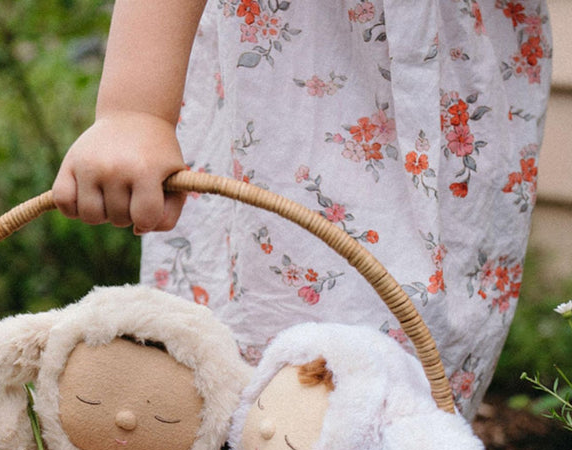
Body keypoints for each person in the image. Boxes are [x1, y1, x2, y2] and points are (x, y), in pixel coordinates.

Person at [53, 0, 552, 418]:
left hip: (452, 66)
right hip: (283, 75)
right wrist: (135, 110)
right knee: (237, 342)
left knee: (414, 366)